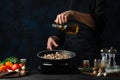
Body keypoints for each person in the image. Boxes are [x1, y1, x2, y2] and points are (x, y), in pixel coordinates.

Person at [47, 0, 106, 67]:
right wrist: (56, 38)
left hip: (90, 58)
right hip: (68, 57)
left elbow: (99, 23)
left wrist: (74, 14)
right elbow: (64, 30)